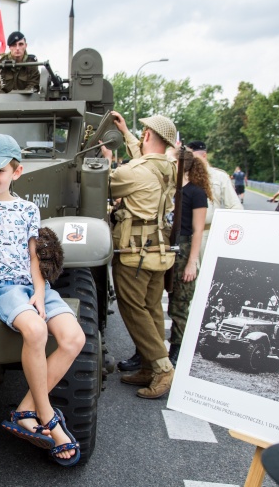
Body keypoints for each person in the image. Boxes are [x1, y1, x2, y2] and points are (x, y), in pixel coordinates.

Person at [0, 133, 84, 465]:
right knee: (35, 331)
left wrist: (42, 293)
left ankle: (25, 410)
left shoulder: (28, 209)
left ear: (16, 172)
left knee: (74, 337)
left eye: (0, 170)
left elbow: (34, 256)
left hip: (33, 286)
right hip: (2, 287)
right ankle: (48, 419)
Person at [100, 112, 177, 399]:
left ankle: (162, 367)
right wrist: (128, 135)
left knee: (134, 310)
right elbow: (146, 159)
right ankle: (149, 366)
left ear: (147, 136)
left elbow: (103, 183)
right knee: (153, 309)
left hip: (135, 254)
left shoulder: (136, 172)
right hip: (159, 249)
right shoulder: (169, 166)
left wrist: (107, 159)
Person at [166, 151, 212, 367]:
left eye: (173, 160)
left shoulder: (196, 193)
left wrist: (192, 262)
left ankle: (177, 350)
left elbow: (197, 230)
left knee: (180, 304)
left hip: (184, 249)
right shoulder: (169, 189)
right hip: (165, 245)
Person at [185, 140, 242, 261]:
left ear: (203, 155)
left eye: (193, 156)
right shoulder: (183, 176)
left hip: (209, 234)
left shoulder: (219, 176)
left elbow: (235, 208)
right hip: (185, 235)